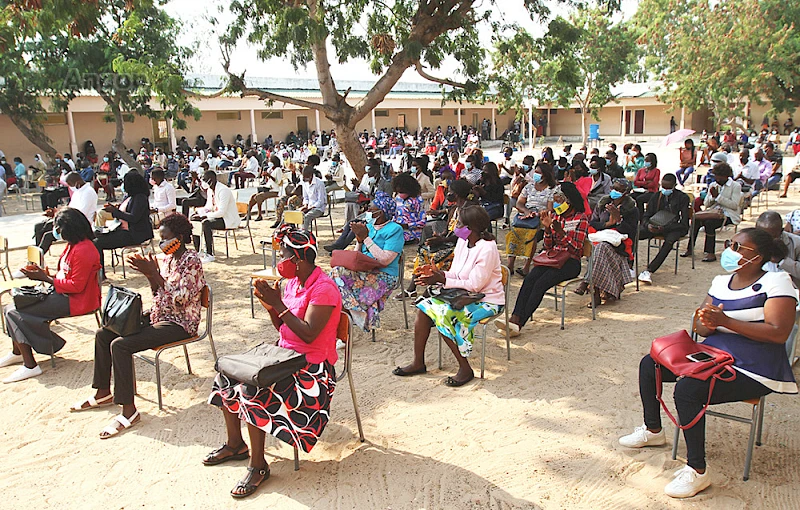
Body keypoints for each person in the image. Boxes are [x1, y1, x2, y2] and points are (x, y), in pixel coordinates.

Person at [619, 228, 797, 498]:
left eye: (738, 247)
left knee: (689, 389)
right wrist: (704, 320)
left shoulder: (776, 281)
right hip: (713, 357)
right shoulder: (720, 282)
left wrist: (726, 322)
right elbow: (700, 328)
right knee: (650, 363)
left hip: (754, 368)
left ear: (757, 256)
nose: (730, 250)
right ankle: (653, 429)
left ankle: (697, 470)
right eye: (730, 244)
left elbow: (778, 332)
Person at [206, 227, 341, 499]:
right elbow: (283, 327)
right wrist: (272, 307)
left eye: (284, 255)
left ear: (300, 259)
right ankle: (235, 445)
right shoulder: (292, 283)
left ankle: (258, 466)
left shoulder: (324, 288)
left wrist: (278, 304)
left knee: (252, 389)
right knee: (226, 375)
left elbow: (309, 333)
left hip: (313, 368)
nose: (280, 260)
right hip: (285, 355)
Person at [74, 214, 205, 437]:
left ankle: (129, 411)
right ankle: (103, 392)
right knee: (104, 334)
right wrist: (149, 275)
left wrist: (154, 273)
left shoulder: (191, 261)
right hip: (161, 315)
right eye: (160, 238)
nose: (162, 243)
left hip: (181, 323)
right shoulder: (170, 259)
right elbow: (158, 293)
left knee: (121, 345)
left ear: (180, 238)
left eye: (166, 238)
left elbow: (181, 299)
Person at [392, 206, 504, 386]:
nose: (456, 226)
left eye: (459, 223)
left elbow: (476, 285)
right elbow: (456, 274)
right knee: (424, 309)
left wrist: (443, 278)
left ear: (471, 227)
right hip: (463, 294)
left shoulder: (487, 249)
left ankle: (465, 369)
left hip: (486, 300)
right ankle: (418, 362)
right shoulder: (463, 242)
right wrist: (436, 275)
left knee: (443, 315)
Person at [0, 209, 101, 383]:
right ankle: (18, 353)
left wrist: (45, 278)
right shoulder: (72, 245)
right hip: (62, 293)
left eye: (58, 227)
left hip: (77, 300)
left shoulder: (84, 249)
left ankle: (30, 365)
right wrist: (45, 275)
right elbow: (65, 274)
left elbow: (77, 286)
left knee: (15, 312)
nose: (56, 231)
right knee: (10, 307)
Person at [495, 182, 589, 337]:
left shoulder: (581, 218)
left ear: (569, 201)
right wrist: (547, 229)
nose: (557, 203)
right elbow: (547, 246)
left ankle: (518, 323)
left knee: (541, 284)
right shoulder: (555, 216)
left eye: (560, 200)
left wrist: (560, 232)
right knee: (530, 278)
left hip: (570, 262)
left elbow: (576, 248)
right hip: (552, 257)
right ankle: (514, 317)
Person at [330, 192, 403, 332]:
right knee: (335, 278)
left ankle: (347, 325)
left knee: (337, 276)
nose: (367, 211)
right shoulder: (369, 225)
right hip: (364, 270)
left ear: (380, 213)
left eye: (371, 209)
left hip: (384, 275)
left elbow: (385, 260)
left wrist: (366, 238)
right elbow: (358, 255)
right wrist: (359, 241)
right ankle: (346, 322)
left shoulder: (395, 230)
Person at [578, 179, 639, 305]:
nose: (614, 191)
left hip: (620, 243)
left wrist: (618, 222)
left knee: (600, 249)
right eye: (613, 188)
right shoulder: (602, 204)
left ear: (626, 193)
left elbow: (632, 232)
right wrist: (608, 223)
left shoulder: (632, 209)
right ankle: (594, 291)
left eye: (619, 190)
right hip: (600, 237)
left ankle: (588, 283)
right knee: (599, 248)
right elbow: (593, 223)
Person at [94, 171, 154, 275]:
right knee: (95, 236)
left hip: (134, 233)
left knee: (97, 243)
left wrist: (115, 212)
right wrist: (115, 209)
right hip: (122, 229)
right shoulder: (129, 196)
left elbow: (134, 218)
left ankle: (100, 275)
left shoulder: (140, 198)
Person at [682, 163, 742, 262]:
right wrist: (712, 197)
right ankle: (690, 248)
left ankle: (710, 253)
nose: (717, 179)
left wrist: (718, 197)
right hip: (713, 212)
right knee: (696, 220)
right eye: (716, 176)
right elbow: (706, 203)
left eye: (719, 176)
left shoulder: (735, 186)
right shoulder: (713, 185)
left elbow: (734, 205)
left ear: (726, 176)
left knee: (709, 224)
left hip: (729, 214)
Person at [637, 174, 691, 284]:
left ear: (674, 186)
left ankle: (649, 270)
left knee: (669, 242)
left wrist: (664, 228)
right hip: (655, 225)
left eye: (668, 188)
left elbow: (684, 223)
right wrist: (648, 225)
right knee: (634, 233)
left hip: (675, 228)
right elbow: (646, 215)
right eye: (663, 187)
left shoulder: (683, 198)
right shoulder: (657, 196)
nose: (665, 190)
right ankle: (629, 265)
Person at [505, 161, 556, 276]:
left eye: (539, 173)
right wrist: (527, 212)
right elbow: (519, 203)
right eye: (535, 172)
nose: (536, 174)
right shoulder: (529, 186)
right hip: (526, 213)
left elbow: (549, 209)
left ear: (546, 175)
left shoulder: (552, 189)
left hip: (541, 216)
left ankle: (526, 266)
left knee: (531, 235)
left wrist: (537, 214)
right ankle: (510, 264)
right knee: (514, 233)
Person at [34, 172, 97, 255]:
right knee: (39, 226)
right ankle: (37, 257)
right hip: (69, 221)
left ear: (77, 182)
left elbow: (79, 213)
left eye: (70, 184)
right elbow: (70, 208)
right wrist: (56, 212)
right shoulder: (78, 192)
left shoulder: (88, 192)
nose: (70, 187)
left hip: (79, 225)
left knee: (47, 236)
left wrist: (60, 214)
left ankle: (37, 259)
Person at [191, 170, 241, 263]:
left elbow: (221, 212)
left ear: (212, 180)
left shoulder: (223, 190)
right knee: (193, 218)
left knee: (206, 223)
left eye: (205, 180)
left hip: (228, 219)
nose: (204, 183)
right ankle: (198, 251)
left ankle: (209, 254)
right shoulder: (210, 190)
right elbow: (209, 206)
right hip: (217, 217)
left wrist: (205, 216)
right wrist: (200, 212)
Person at [755, 211, 800, 287]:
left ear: (781, 231)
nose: (766, 240)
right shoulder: (749, 242)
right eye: (762, 235)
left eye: (771, 236)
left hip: (788, 288)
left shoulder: (796, 243)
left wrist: (782, 261)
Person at [392, 172, 425, 244]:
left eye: (402, 191)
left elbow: (423, 222)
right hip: (397, 231)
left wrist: (407, 226)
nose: (400, 193)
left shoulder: (417, 200)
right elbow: (395, 215)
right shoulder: (397, 199)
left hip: (412, 234)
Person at [632, 153, 660, 221]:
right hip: (640, 190)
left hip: (651, 191)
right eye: (645, 161)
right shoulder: (641, 170)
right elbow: (635, 182)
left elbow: (654, 184)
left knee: (639, 199)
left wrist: (641, 183)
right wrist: (646, 182)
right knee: (630, 196)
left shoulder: (656, 171)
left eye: (648, 161)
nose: (646, 162)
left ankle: (641, 217)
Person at [300, 165, 327, 232]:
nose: (305, 179)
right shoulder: (304, 183)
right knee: (291, 214)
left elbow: (321, 201)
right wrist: (305, 205)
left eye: (306, 177)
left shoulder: (319, 183)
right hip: (309, 207)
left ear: (311, 175)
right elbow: (305, 197)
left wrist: (310, 208)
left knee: (306, 217)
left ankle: (304, 234)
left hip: (318, 208)